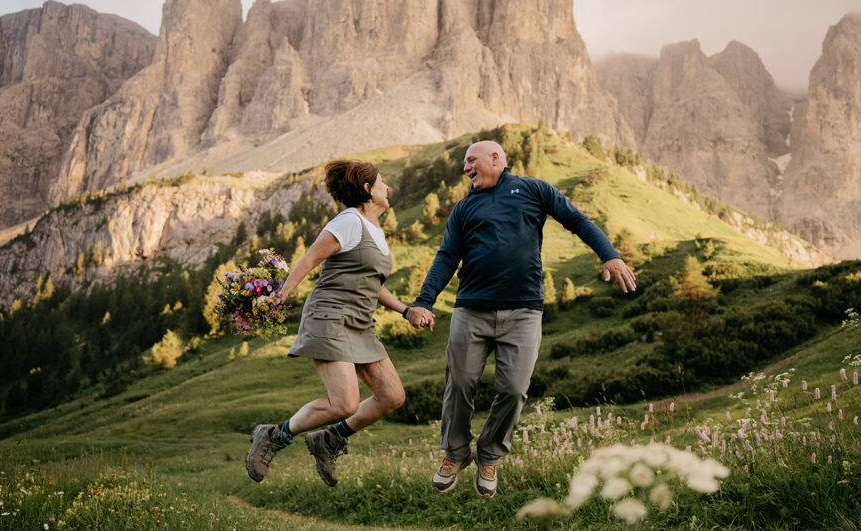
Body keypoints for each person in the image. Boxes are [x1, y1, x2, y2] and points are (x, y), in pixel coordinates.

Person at [405, 140, 636, 498]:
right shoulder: (464, 208)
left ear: (496, 158)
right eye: (465, 164)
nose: (465, 169)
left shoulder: (532, 189)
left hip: (524, 312)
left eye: (471, 161)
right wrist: (424, 301)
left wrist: (609, 255)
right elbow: (447, 256)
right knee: (460, 382)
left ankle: (489, 454)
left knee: (514, 390)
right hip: (471, 309)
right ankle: (455, 453)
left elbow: (576, 220)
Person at [245, 159, 434, 487]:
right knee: (345, 403)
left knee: (392, 396)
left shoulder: (376, 231)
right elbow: (310, 258)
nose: (387, 187)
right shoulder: (348, 222)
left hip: (360, 322)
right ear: (367, 189)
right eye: (382, 182)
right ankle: (274, 434)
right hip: (330, 317)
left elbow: (374, 286)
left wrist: (407, 311)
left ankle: (328, 440)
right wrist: (281, 295)